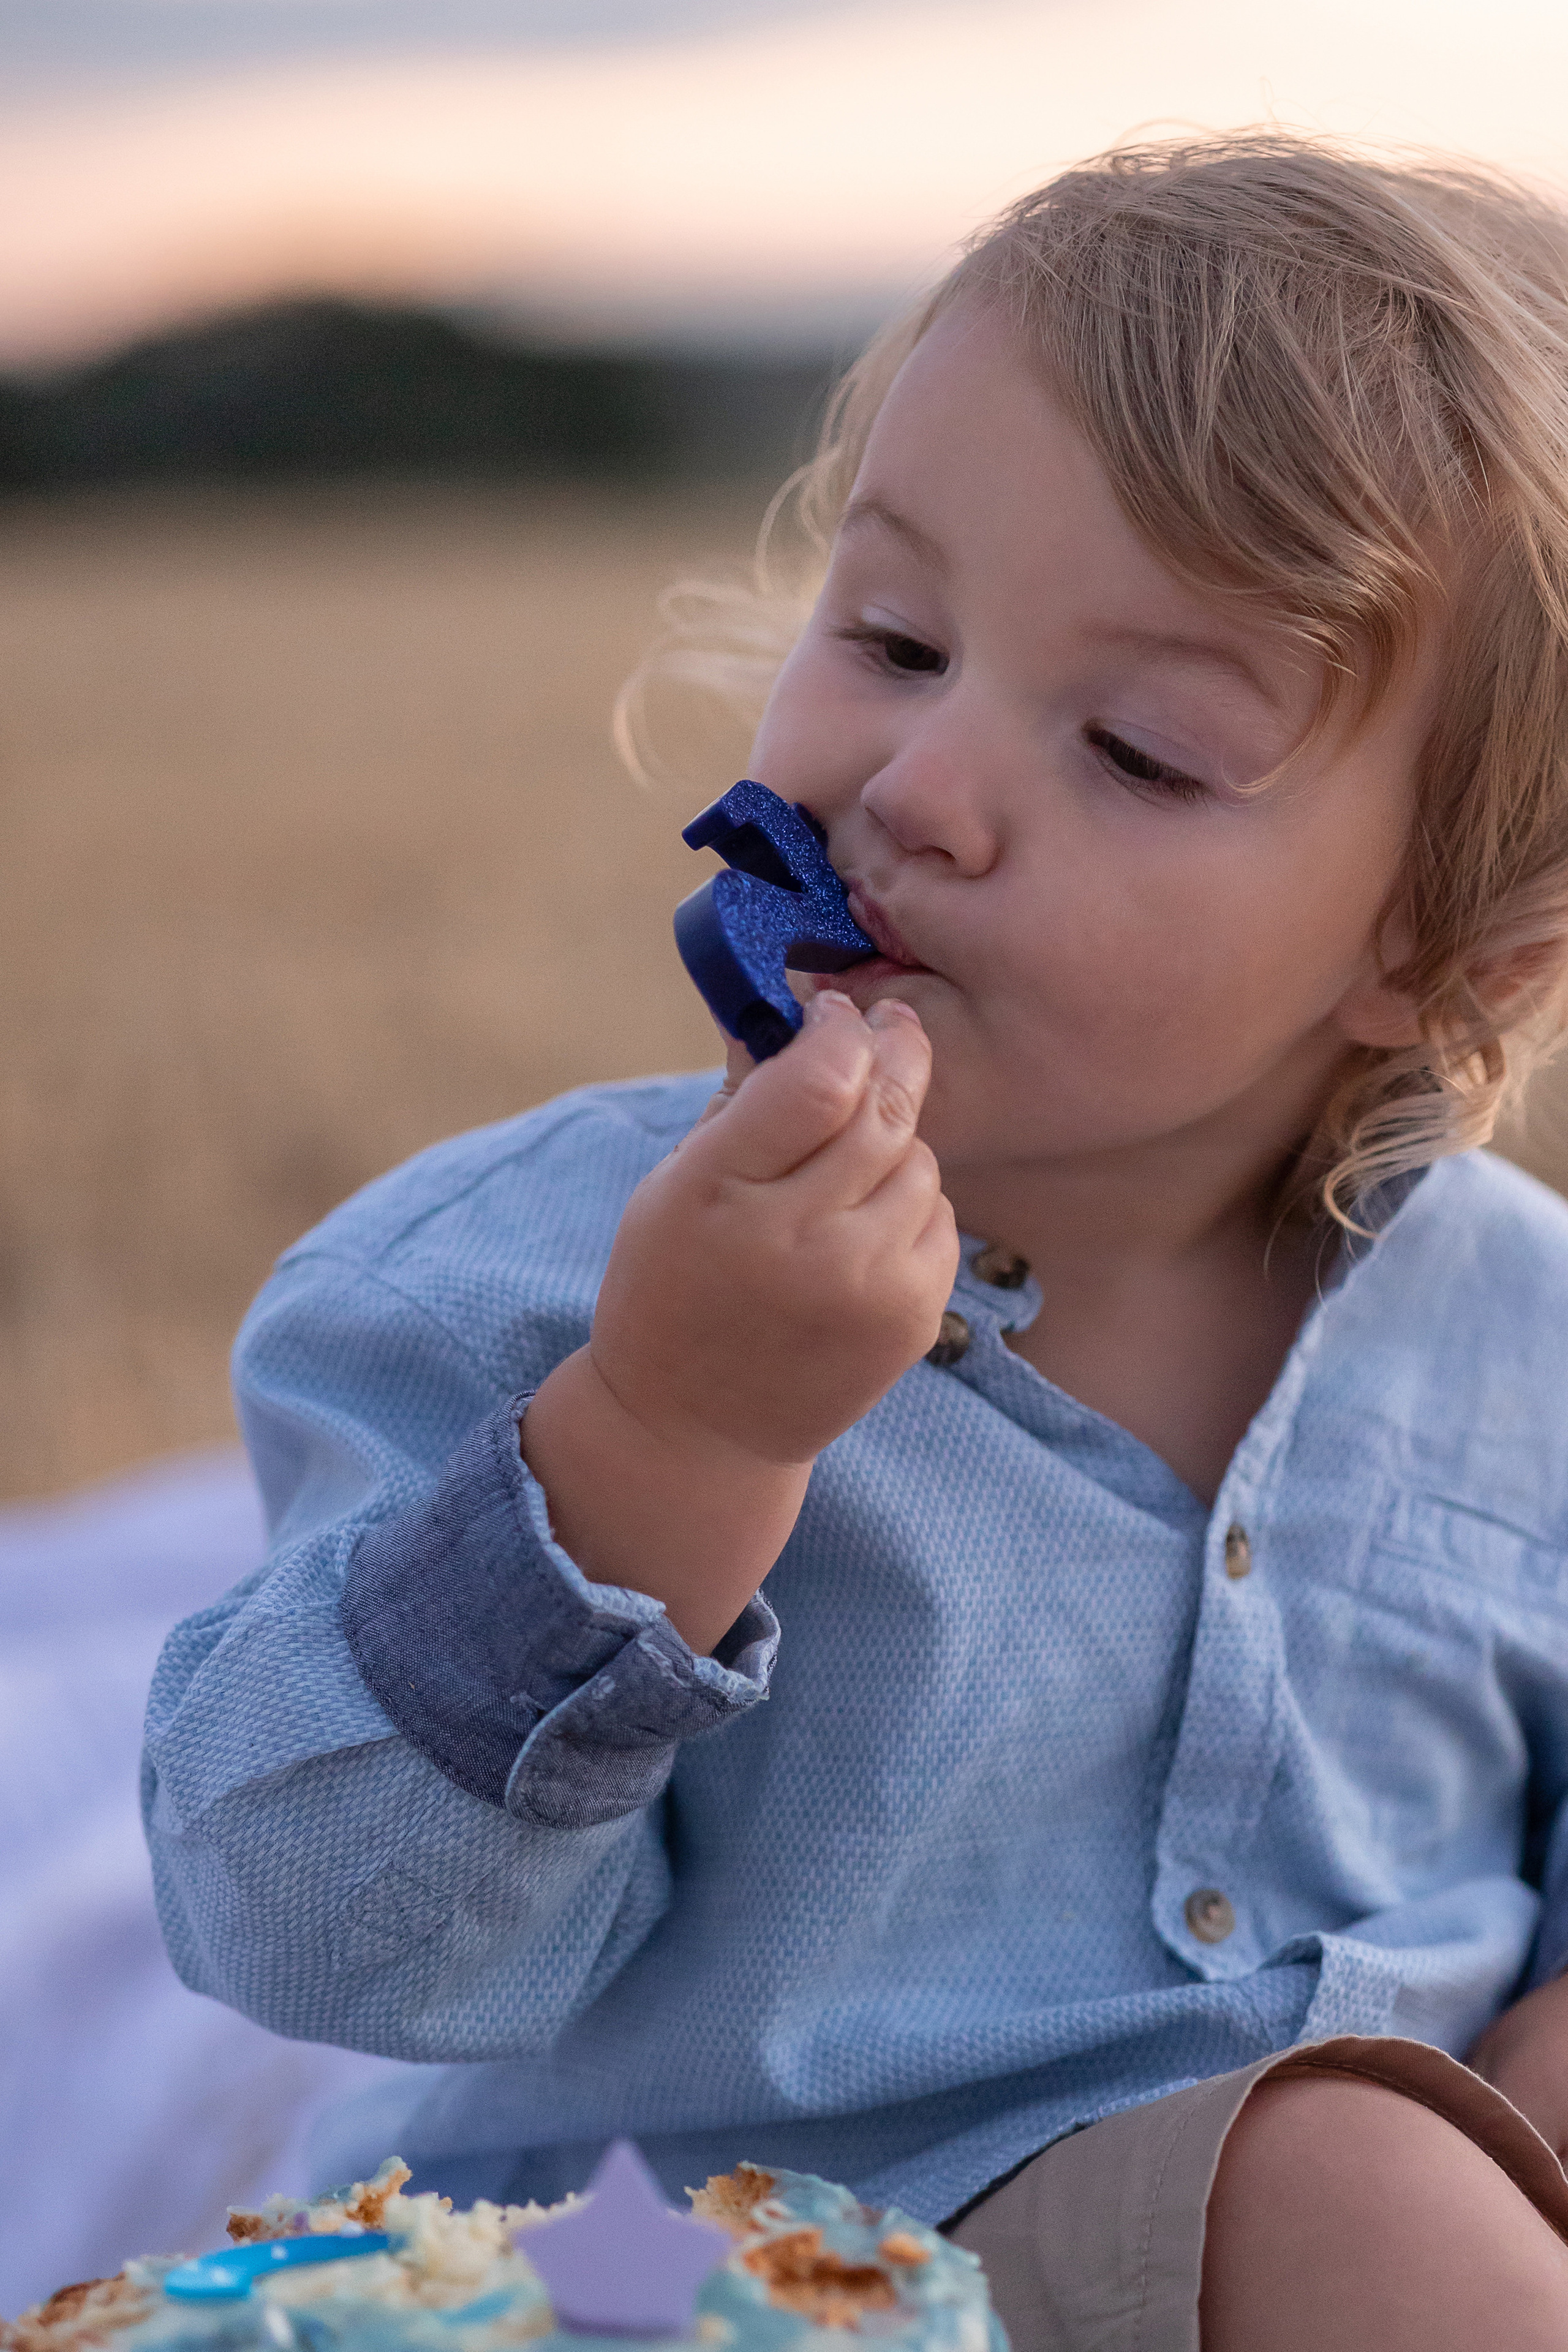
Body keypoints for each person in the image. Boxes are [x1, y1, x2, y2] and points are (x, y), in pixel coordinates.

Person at [145, 134, 1568, 2348]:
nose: (918, 787)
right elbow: (310, 1932)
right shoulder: (510, 1283)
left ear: (1450, 952)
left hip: (1357, 2244)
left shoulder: (1524, 1332)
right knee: (1358, 2196)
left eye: (1138, 749)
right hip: (686, 2284)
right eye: (894, 636)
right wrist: (666, 1435)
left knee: (1387, 2183)